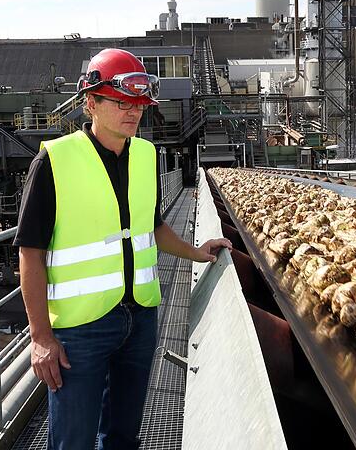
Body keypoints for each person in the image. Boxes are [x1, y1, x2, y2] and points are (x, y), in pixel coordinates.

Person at [14, 48, 230, 450]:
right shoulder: (54, 161)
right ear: (91, 102)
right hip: (81, 331)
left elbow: (152, 227)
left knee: (123, 435)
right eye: (121, 102)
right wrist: (41, 336)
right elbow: (30, 253)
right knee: (73, 440)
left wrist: (196, 252)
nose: (133, 112)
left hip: (140, 319)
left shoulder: (146, 155)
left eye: (139, 104)